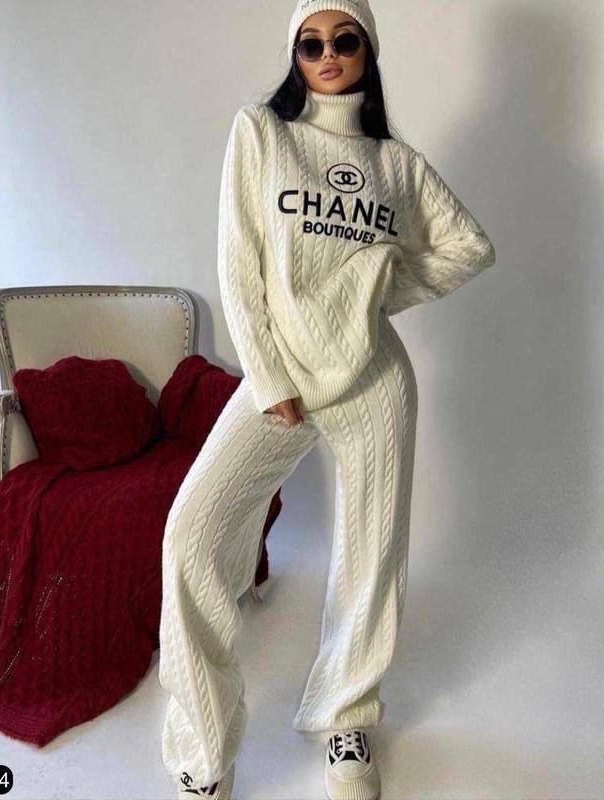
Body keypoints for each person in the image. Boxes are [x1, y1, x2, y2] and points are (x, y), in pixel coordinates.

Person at [158, 1, 496, 798]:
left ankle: (347, 718)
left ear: (368, 50)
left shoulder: (395, 164)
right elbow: (239, 265)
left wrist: (375, 288)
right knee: (191, 535)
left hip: (374, 379)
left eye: (346, 40)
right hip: (282, 380)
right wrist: (269, 377)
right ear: (296, 54)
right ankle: (204, 745)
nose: (328, 54)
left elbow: (470, 246)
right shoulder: (263, 133)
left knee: (371, 557)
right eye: (311, 43)